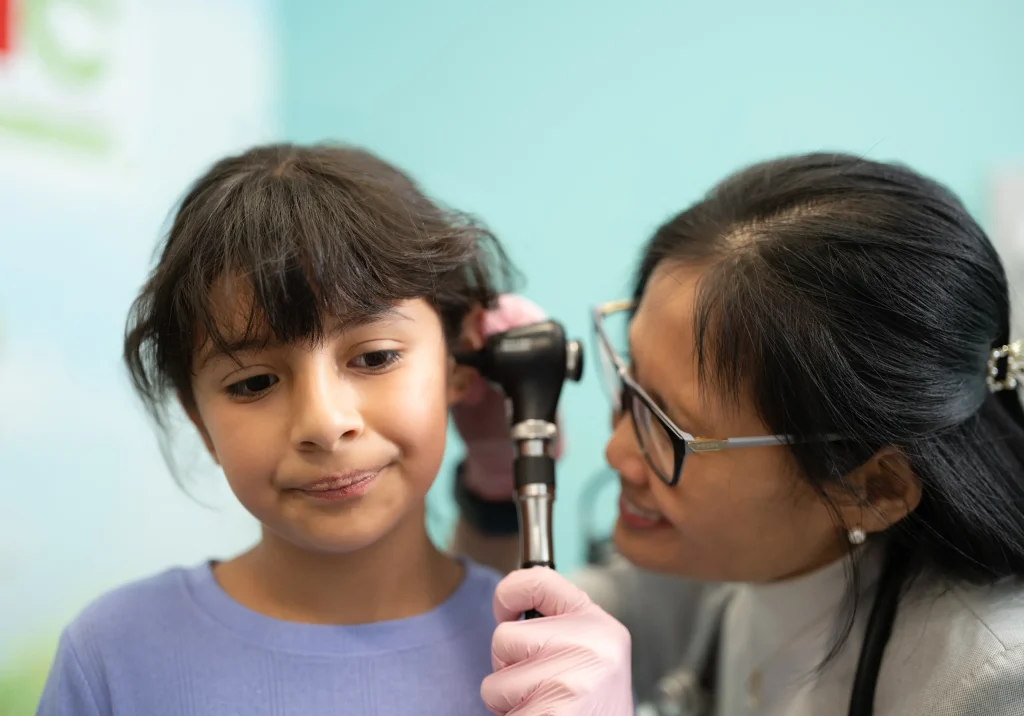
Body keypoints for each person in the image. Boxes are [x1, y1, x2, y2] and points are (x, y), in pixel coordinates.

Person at [453, 153, 1024, 715]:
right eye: (631, 387)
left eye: (667, 429)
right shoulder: (722, 563)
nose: (615, 451)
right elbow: (498, 645)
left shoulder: (989, 684)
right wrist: (497, 481)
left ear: (873, 490)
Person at [36, 143, 517, 715]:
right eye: (253, 383)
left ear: (457, 367)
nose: (324, 424)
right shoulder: (112, 657)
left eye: (374, 357)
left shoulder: (542, 649)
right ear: (201, 423)